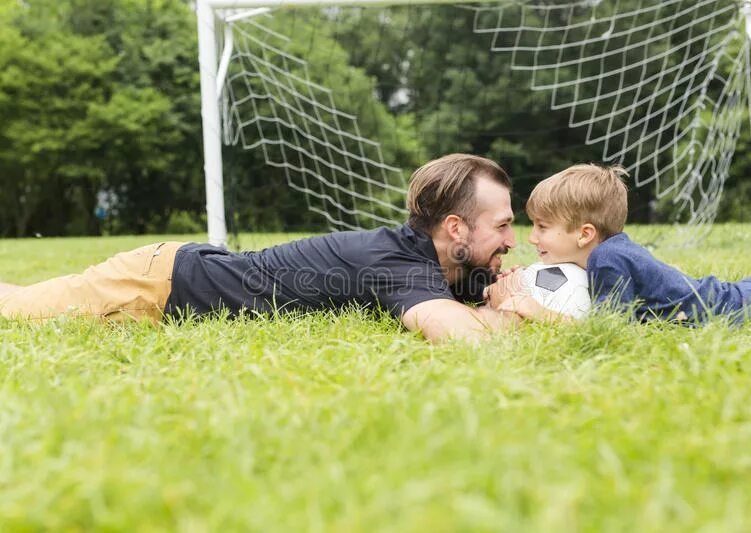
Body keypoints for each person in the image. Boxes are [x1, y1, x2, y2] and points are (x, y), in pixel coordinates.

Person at [0, 153, 522, 342]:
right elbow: (463, 338)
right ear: (455, 228)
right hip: (154, 288)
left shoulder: (444, 263)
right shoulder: (397, 264)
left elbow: (478, 296)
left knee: (24, 300)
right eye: (500, 226)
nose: (511, 241)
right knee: (16, 309)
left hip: (178, 266)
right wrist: (525, 314)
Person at [485, 163, 751, 326]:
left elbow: (609, 329)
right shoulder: (603, 252)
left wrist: (537, 311)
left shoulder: (608, 259)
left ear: (584, 235)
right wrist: (527, 280)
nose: (532, 237)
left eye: (542, 227)